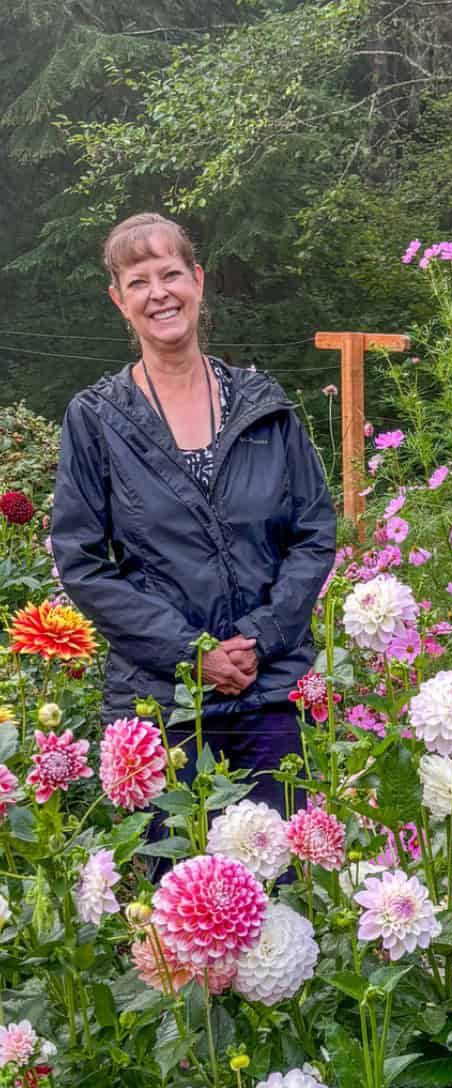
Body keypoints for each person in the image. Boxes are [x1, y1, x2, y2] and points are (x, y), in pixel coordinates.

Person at [51, 212, 337, 813]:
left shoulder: (267, 409)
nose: (159, 293)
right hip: (160, 705)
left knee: (286, 889)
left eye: (170, 273)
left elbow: (314, 535)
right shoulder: (98, 419)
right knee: (178, 900)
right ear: (118, 300)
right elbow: (81, 564)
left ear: (198, 281)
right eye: (138, 281)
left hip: (272, 694)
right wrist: (192, 655)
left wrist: (258, 640)